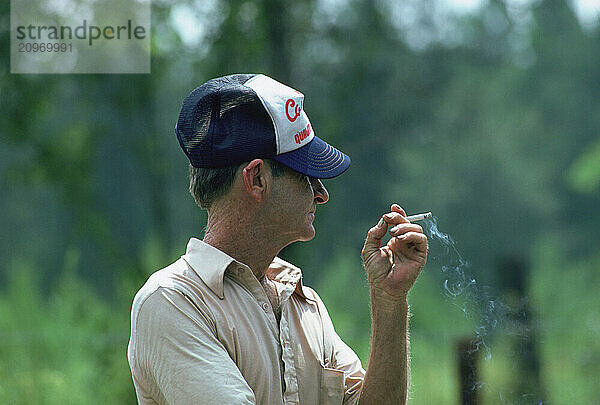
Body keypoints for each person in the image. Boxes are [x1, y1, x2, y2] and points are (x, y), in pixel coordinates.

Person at [127, 73, 428, 405]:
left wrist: (389, 301)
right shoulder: (171, 302)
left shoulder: (304, 304)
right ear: (257, 179)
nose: (321, 193)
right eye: (306, 174)